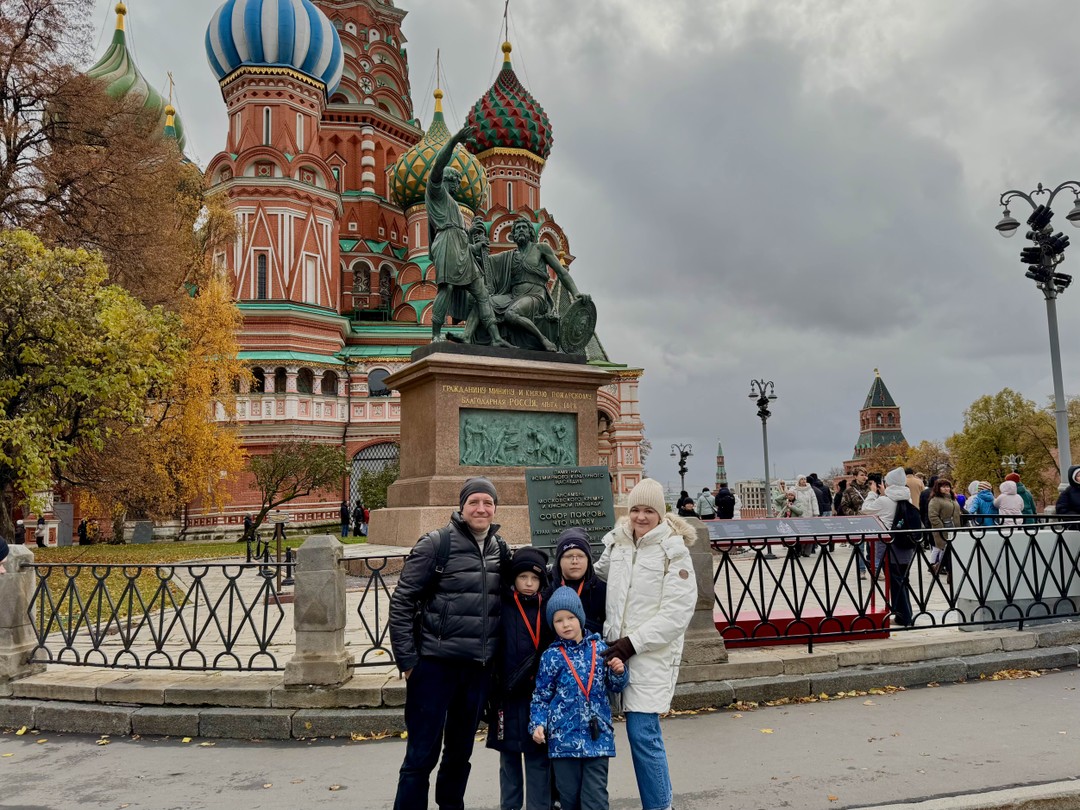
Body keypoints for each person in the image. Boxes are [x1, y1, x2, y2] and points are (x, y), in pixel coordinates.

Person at [388, 477, 509, 810]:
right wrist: (408, 663)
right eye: (474, 502)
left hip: (477, 670)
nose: (481, 509)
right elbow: (402, 602)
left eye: (487, 502)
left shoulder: (500, 549)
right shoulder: (436, 544)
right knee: (421, 755)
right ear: (461, 507)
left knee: (459, 754)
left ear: (495, 508)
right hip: (434, 667)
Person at [595, 478, 697, 810]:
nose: (641, 517)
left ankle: (660, 806)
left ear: (660, 513)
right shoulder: (618, 543)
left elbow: (677, 612)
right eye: (636, 509)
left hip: (649, 654)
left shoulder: (673, 550)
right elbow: (595, 577)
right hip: (613, 652)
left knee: (642, 734)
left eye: (649, 511)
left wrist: (632, 643)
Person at [529, 587, 629, 810]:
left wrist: (619, 672)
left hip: (598, 739)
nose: (566, 625)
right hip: (563, 741)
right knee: (569, 799)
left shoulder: (600, 649)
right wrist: (538, 724)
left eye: (571, 618)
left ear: (580, 618)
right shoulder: (551, 656)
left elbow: (615, 686)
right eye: (559, 620)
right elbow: (541, 696)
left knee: (595, 800)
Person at [426, 123, 508, 347]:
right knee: (447, 287)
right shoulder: (436, 192)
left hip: (461, 247)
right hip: (446, 243)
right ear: (447, 179)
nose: (459, 186)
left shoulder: (453, 204)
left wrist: (473, 241)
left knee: (482, 293)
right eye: (457, 181)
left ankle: (495, 337)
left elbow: (461, 238)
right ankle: (435, 334)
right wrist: (454, 141)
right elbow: (438, 166)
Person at [488, 547, 552, 810]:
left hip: (538, 697)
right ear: (513, 578)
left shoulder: (547, 607)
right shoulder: (501, 605)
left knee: (538, 758)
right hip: (507, 695)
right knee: (509, 759)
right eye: (523, 577)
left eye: (534, 578)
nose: (528, 583)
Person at [861, 467, 916, 626]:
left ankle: (903, 617)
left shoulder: (884, 501)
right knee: (903, 580)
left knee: (895, 582)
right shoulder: (907, 498)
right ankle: (906, 614)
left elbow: (866, 509)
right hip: (906, 545)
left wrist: (872, 492)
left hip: (890, 546)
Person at [544, 528, 606, 636]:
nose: (575, 561)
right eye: (569, 556)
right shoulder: (546, 587)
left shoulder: (602, 589)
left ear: (588, 559)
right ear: (559, 560)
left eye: (580, 556)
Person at [926, 478, 961, 579]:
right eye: (943, 487)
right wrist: (941, 529)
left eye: (948, 486)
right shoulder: (935, 500)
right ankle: (950, 574)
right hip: (943, 530)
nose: (946, 488)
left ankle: (938, 566)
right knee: (948, 551)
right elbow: (933, 516)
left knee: (949, 551)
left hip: (954, 528)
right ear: (938, 488)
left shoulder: (952, 498)